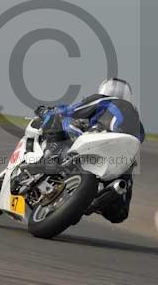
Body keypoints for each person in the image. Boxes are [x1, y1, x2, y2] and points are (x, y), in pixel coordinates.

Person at [34, 78, 145, 223]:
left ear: (103, 90)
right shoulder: (138, 121)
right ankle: (107, 195)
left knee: (57, 118)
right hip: (118, 161)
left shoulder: (103, 100)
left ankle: (50, 158)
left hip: (97, 140)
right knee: (119, 213)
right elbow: (138, 141)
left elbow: (69, 111)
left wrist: (45, 111)